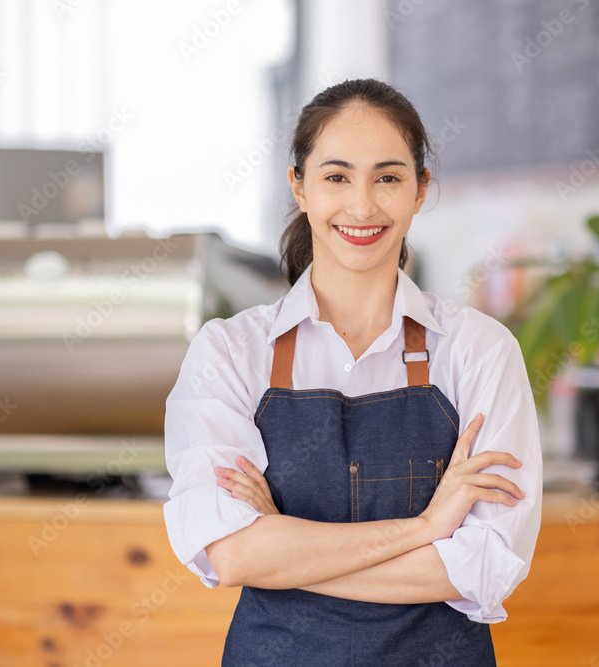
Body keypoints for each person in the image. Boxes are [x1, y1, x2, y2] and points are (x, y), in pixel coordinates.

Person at [163, 78, 542, 666]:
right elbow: (232, 553)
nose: (362, 206)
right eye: (337, 176)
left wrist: (284, 545)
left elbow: (488, 564)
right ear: (300, 186)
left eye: (387, 177)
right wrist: (426, 528)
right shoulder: (229, 353)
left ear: (420, 190)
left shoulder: (479, 350)